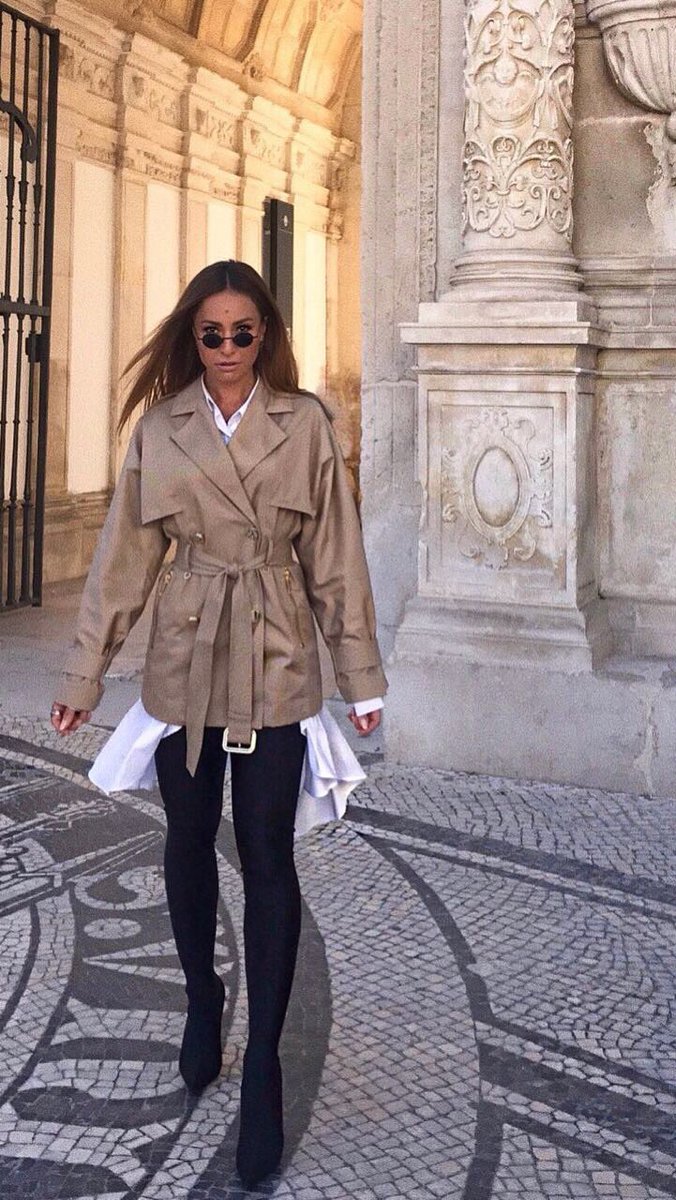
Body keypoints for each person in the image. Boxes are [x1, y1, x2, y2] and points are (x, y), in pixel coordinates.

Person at [50, 260, 387, 1189]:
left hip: (277, 651)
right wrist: (85, 672)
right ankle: (204, 996)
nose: (229, 348)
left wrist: (358, 674)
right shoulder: (161, 430)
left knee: (269, 854)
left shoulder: (305, 424)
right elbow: (123, 561)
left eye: (244, 332)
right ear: (191, 339)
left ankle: (264, 1069)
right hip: (185, 656)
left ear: (264, 335)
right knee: (189, 838)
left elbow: (336, 557)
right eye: (212, 333)